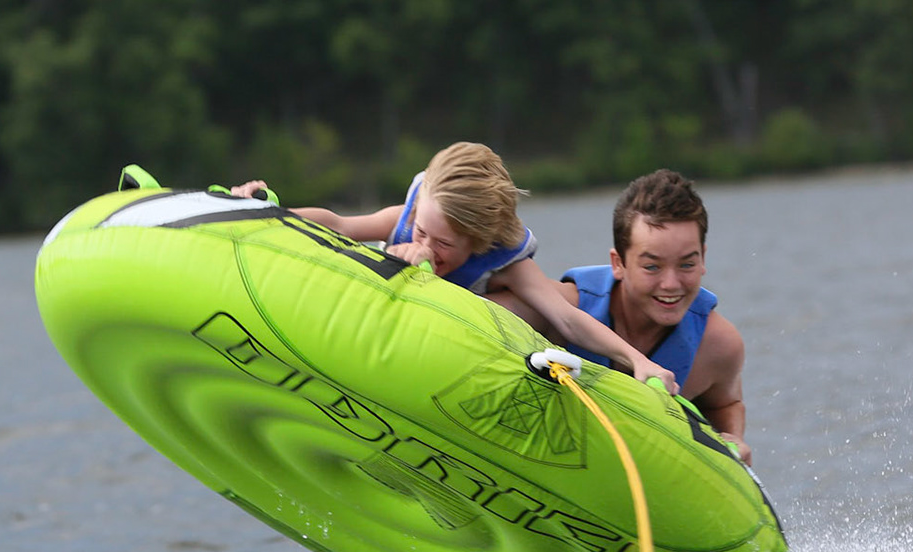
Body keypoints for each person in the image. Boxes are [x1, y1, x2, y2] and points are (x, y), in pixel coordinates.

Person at [231, 143, 678, 391]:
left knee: (531, 309)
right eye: (422, 231)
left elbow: (567, 318)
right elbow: (339, 224)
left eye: (443, 244)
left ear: (478, 243)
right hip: (372, 335)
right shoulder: (412, 220)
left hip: (452, 354)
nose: (424, 245)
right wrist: (265, 212)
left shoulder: (502, 261)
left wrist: (639, 362)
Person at [552, 169, 751, 464]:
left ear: (703, 258)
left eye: (686, 265)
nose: (671, 284)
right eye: (652, 267)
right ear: (618, 263)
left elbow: (726, 403)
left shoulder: (719, 345)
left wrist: (734, 438)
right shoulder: (558, 309)